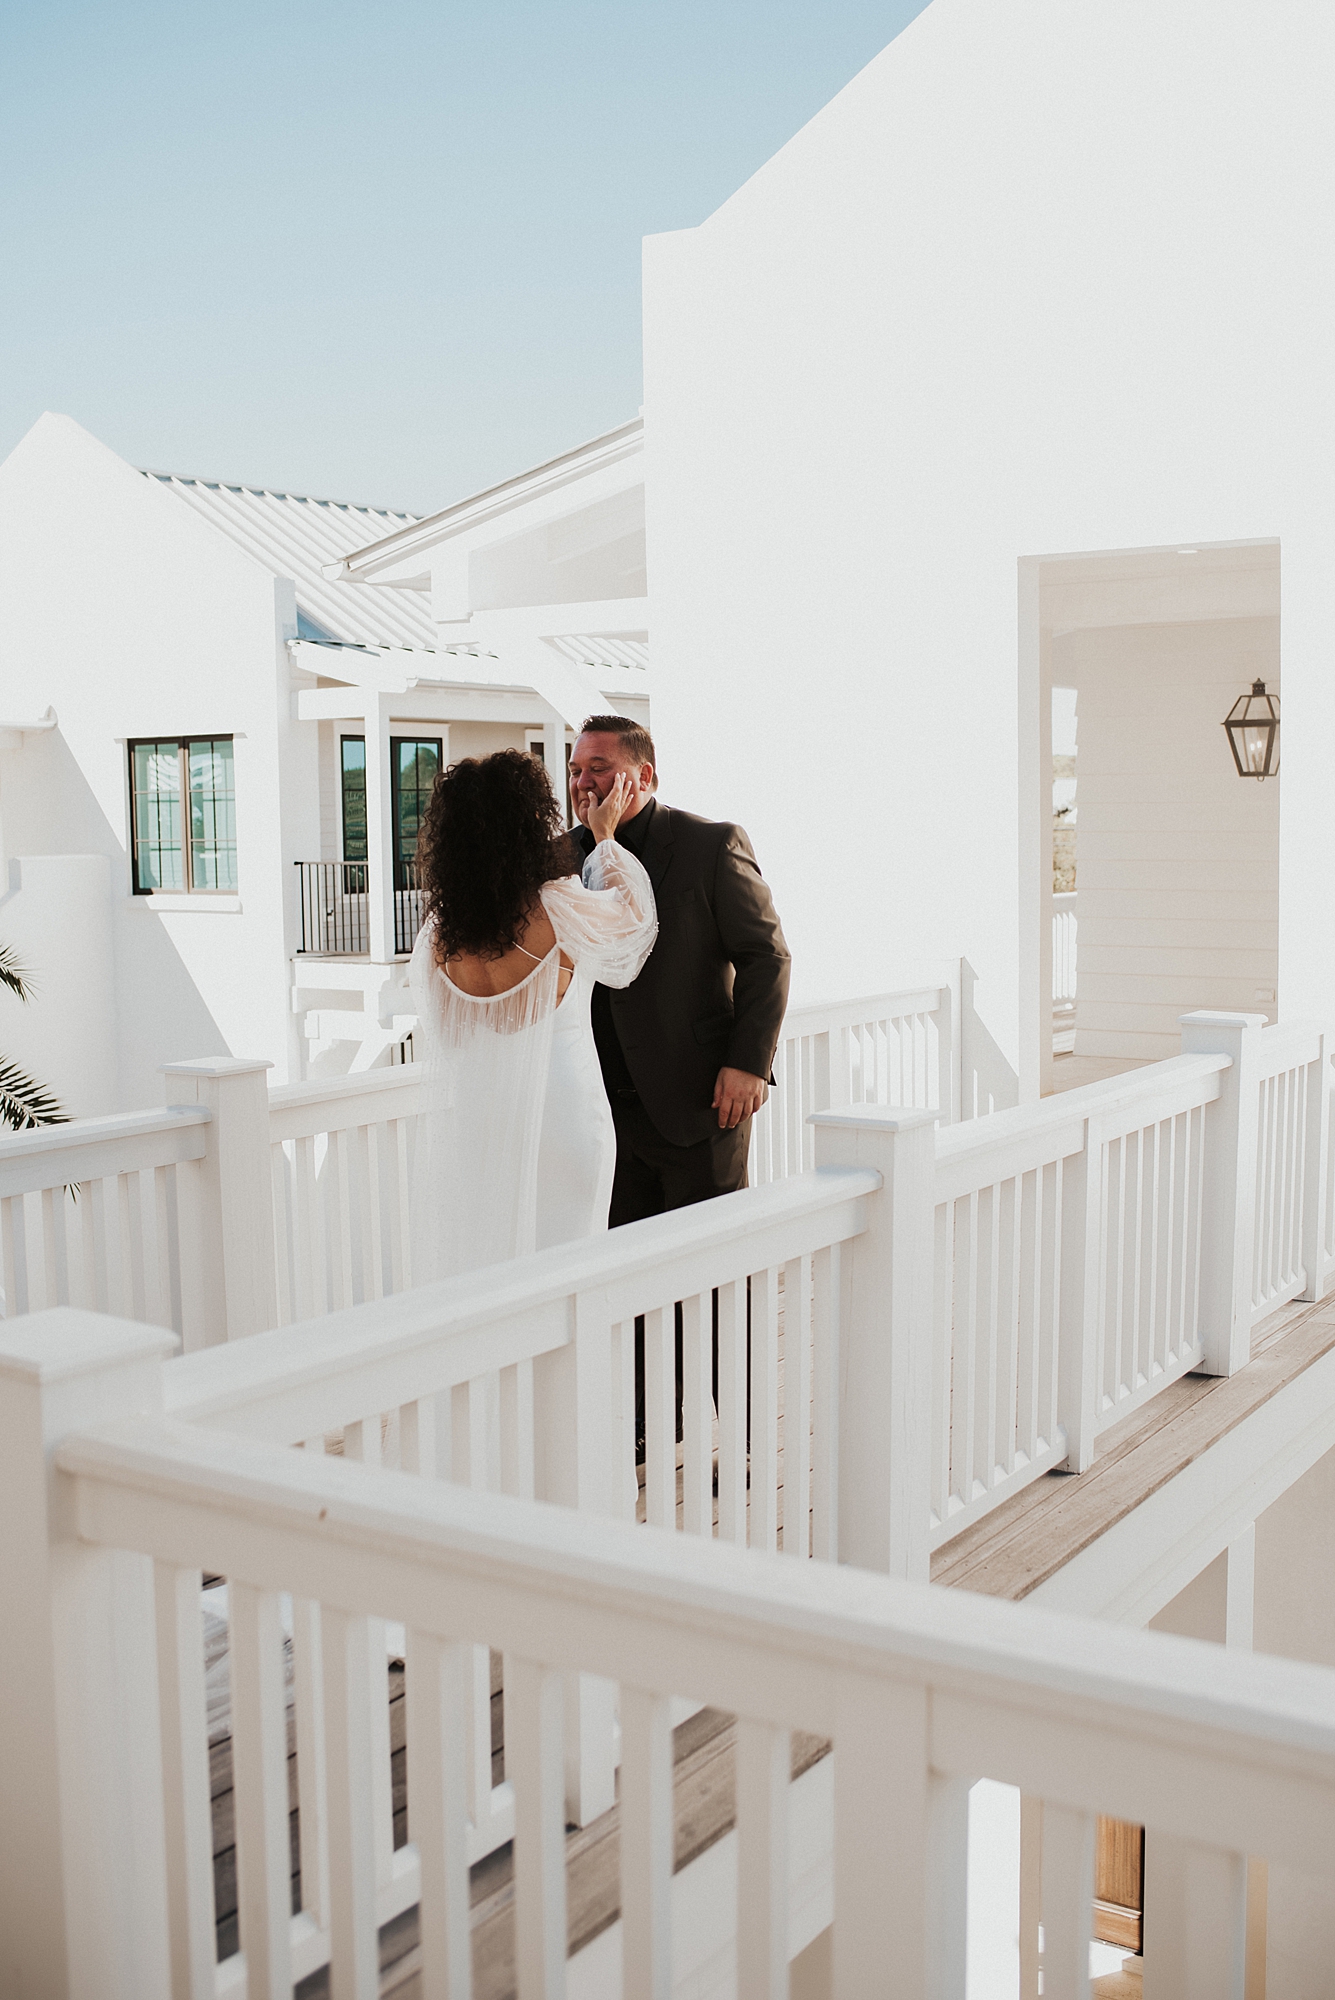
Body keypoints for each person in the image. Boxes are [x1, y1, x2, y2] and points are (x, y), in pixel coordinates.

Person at [408, 748, 657, 1281]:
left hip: (482, 1123)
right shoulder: (561, 907)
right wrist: (606, 837)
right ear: (527, 826)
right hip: (567, 1115)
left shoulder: (435, 940)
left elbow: (445, 1037)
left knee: (495, 1271)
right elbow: (634, 923)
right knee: (573, 1271)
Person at [568, 715, 791, 1223]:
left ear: (643, 777)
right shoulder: (563, 857)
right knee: (627, 1278)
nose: (583, 783)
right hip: (602, 1113)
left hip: (701, 1103)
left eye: (599, 768)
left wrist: (750, 1063)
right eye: (576, 769)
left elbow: (766, 956)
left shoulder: (711, 845)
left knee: (712, 1274)